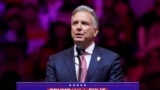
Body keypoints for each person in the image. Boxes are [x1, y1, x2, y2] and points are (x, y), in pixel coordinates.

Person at [45, 5, 124, 82]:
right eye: (75, 24)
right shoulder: (55, 61)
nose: (79, 28)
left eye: (85, 24)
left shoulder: (111, 60)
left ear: (95, 31)